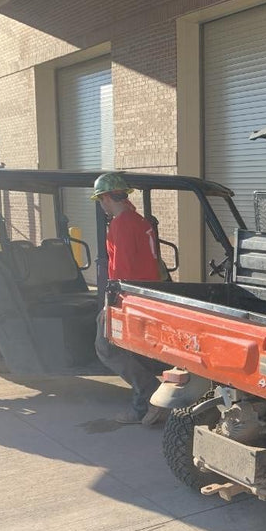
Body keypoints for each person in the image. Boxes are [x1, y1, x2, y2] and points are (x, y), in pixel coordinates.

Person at [91, 172, 165, 425]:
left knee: (106, 347)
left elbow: (121, 269)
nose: (102, 205)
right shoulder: (138, 220)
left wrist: (108, 305)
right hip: (145, 293)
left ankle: (149, 395)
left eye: (101, 199)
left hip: (129, 297)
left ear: (108, 197)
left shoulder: (121, 224)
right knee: (133, 351)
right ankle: (146, 402)